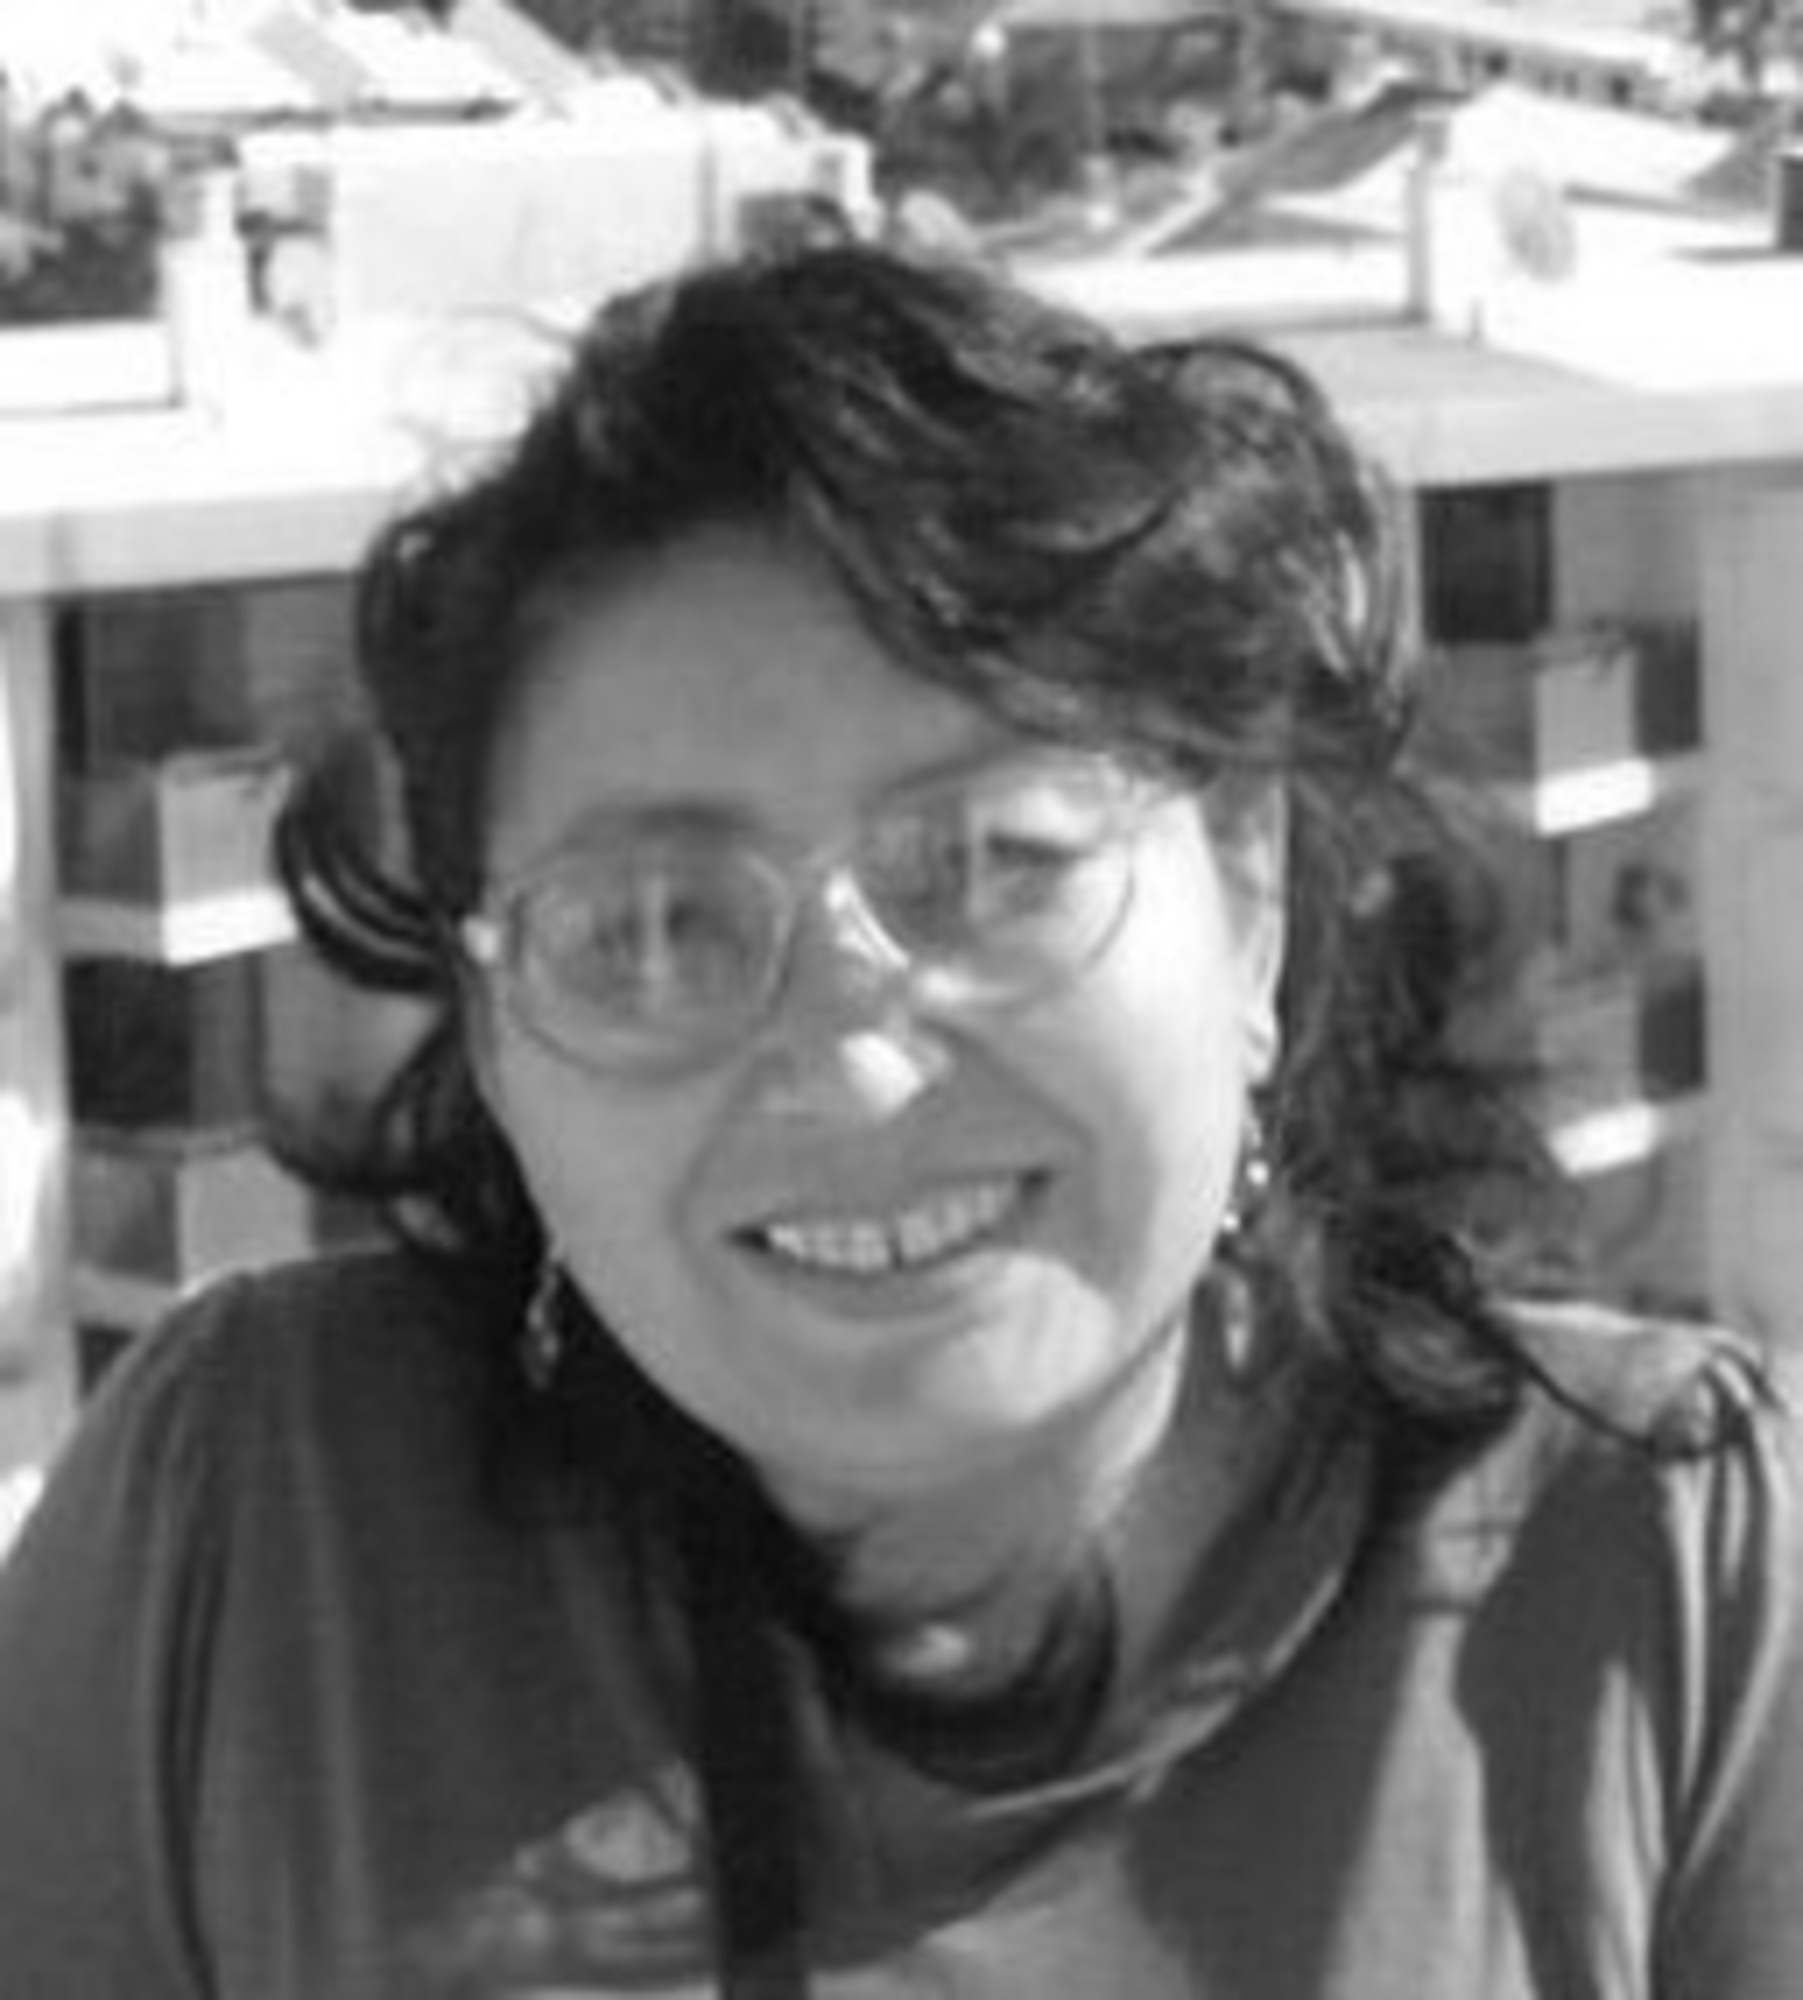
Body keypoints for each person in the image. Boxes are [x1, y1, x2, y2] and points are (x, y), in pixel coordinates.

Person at [1, 241, 1799, 2000]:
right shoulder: (262, 1534)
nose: (853, 1069)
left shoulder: (1666, 1584)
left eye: (992, 866)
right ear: (492, 1033)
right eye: (653, 927)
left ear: (1250, 893)